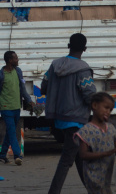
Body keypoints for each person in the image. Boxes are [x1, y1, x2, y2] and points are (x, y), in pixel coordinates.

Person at [42, 32, 96, 194]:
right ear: (85, 48)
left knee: (81, 157)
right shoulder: (83, 69)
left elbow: (44, 87)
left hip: (60, 118)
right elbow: (89, 95)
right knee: (67, 160)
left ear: (68, 46)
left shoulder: (55, 65)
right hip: (77, 120)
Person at [0, 51, 33, 165]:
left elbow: (22, 89)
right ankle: (17, 155)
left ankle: (1, 155)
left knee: (10, 131)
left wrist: (29, 101)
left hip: (16, 107)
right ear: (10, 60)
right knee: (12, 131)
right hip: (5, 108)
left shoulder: (18, 72)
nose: (17, 60)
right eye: (16, 58)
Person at [75, 92, 116, 194]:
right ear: (94, 105)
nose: (108, 112)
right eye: (106, 107)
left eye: (110, 110)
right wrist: (106, 153)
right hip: (93, 176)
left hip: (107, 176)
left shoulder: (111, 128)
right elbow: (83, 154)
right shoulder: (86, 131)